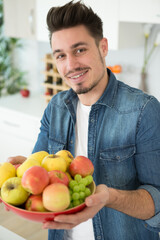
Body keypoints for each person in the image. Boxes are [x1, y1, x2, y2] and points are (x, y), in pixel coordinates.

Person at [7, 1, 160, 240]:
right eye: (60, 55)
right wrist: (24, 173)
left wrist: (110, 197)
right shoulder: (56, 108)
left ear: (103, 47)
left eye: (79, 50)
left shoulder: (143, 110)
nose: (71, 65)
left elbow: (157, 203)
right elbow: (41, 173)